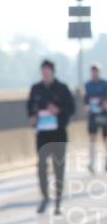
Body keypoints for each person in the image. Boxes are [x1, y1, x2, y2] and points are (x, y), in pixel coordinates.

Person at [27, 59, 74, 215]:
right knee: (41, 166)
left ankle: (58, 201)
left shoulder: (62, 88)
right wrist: (33, 117)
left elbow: (71, 109)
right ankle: (45, 196)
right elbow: (30, 108)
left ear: (53, 72)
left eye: (47, 72)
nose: (45, 75)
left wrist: (58, 110)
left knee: (58, 168)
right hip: (42, 135)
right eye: (43, 72)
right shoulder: (36, 89)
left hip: (58, 134)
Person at [84, 63, 107, 174]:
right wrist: (86, 106)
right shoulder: (88, 85)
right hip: (93, 114)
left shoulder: (105, 84)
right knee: (92, 138)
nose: (94, 73)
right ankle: (92, 162)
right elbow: (86, 98)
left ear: (99, 72)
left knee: (105, 139)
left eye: (96, 71)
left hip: (104, 114)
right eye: (93, 71)